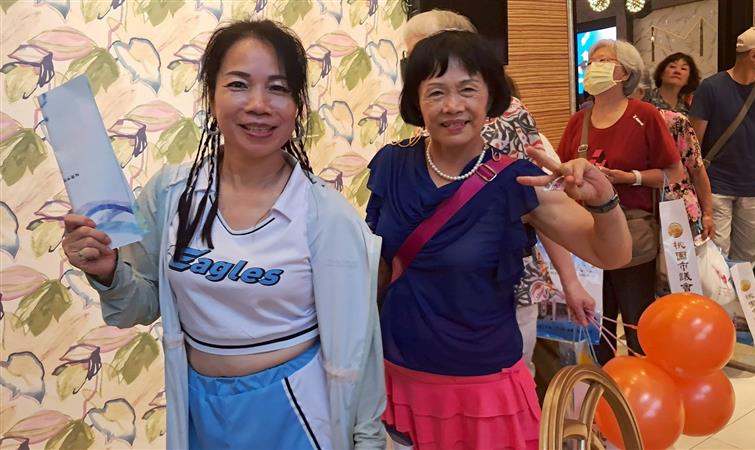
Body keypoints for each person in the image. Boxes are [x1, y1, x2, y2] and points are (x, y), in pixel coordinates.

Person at [62, 20, 385, 450]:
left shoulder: (325, 215)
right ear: (211, 95)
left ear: (297, 105)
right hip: (200, 406)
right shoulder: (172, 194)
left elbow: (360, 349)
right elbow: (136, 307)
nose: (258, 104)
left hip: (297, 414)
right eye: (238, 84)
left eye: (277, 88)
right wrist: (108, 272)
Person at [367, 30, 631, 450]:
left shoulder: (516, 179)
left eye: (467, 90)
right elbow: (380, 267)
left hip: (482, 381)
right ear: (416, 101)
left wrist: (604, 201)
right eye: (436, 92)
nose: (452, 106)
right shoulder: (392, 165)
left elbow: (611, 254)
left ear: (490, 97)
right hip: (397, 369)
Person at [403, 9, 597, 379]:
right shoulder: (426, 123)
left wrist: (570, 282)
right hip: (438, 293)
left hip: (500, 286)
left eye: (419, 51)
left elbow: (539, 199)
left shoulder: (506, 115)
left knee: (505, 386)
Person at [557, 39, 683, 365]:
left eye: (603, 61)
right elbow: (560, 172)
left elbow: (674, 172)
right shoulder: (578, 121)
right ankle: (603, 384)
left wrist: (631, 177)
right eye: (590, 62)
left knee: (637, 318)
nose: (593, 67)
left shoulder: (644, 115)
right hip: (585, 234)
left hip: (632, 232)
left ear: (624, 72)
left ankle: (644, 384)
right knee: (596, 322)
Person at [689, 25, 755, 265]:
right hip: (716, 185)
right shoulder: (711, 87)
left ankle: (742, 290)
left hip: (754, 185)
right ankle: (720, 292)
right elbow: (693, 141)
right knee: (716, 254)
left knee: (749, 255)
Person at [636, 72, 715, 239]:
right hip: (632, 215)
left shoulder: (674, 122)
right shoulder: (605, 125)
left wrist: (708, 214)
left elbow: (697, 169)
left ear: (640, 92)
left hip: (676, 212)